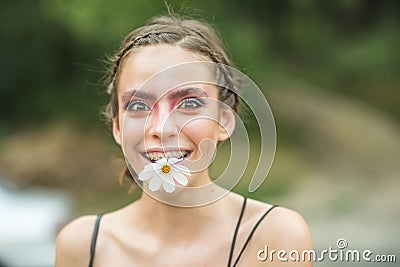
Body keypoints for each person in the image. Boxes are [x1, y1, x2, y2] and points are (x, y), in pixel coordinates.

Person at [55, 12, 312, 267]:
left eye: (189, 103)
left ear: (224, 120)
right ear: (117, 127)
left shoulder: (275, 237)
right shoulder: (84, 247)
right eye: (137, 106)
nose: (162, 128)